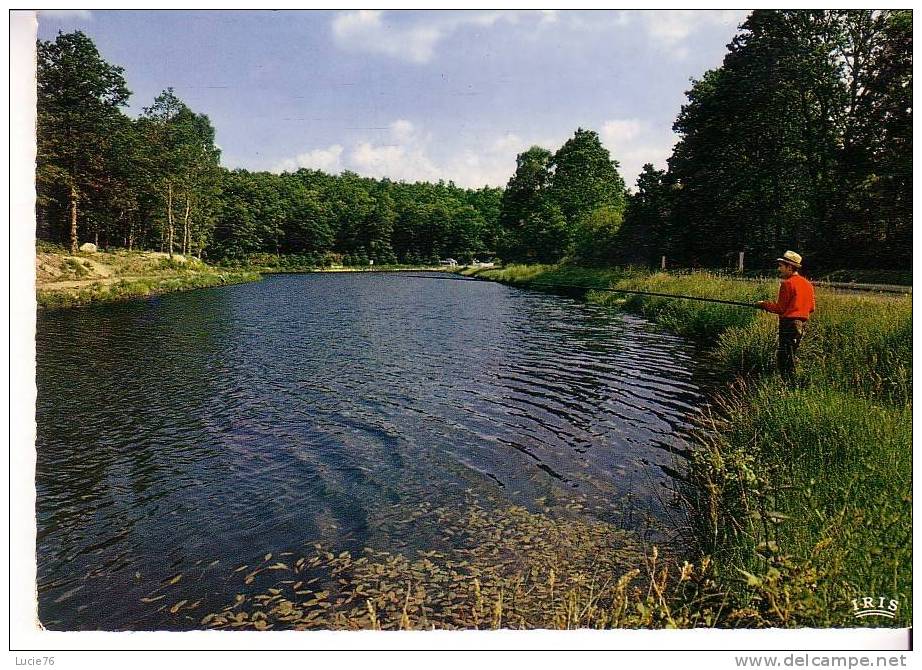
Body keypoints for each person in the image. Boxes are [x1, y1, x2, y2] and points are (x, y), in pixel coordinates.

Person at [756, 250, 816, 382]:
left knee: (784, 359)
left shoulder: (787, 284)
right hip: (800, 325)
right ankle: (792, 384)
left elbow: (780, 308)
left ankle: (789, 385)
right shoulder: (808, 284)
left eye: (781, 266)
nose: (779, 269)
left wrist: (763, 304)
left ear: (790, 267)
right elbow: (811, 308)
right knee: (791, 356)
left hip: (788, 325)